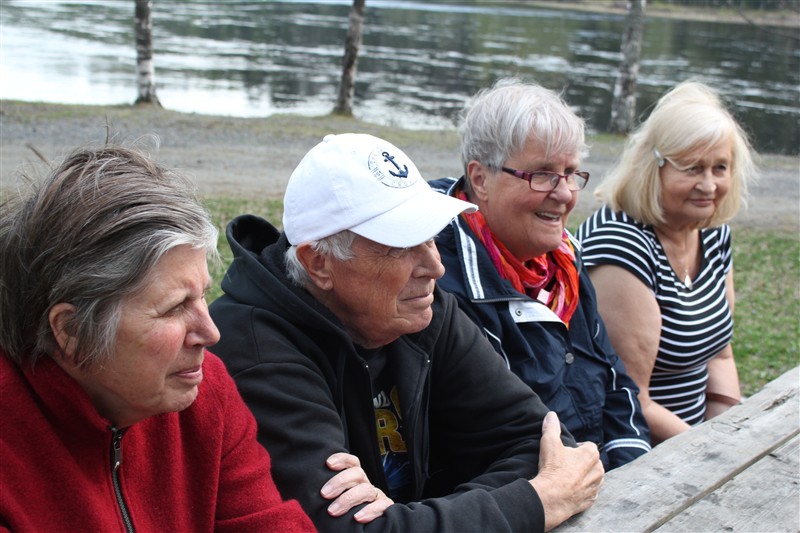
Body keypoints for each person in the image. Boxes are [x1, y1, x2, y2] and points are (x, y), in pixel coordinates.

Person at [209, 133, 604, 532]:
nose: (435, 267)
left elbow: (547, 445)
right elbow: (345, 530)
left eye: (430, 237)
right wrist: (534, 502)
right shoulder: (255, 353)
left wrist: (408, 519)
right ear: (318, 264)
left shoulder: (420, 311)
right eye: (400, 246)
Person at [0, 145, 315, 532]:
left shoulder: (206, 393)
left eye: (202, 295)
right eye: (174, 308)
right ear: (71, 330)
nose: (211, 333)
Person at [428, 78, 650, 471]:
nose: (564, 194)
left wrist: (634, 468)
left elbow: (614, 379)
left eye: (571, 172)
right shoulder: (442, 279)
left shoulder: (563, 260)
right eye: (543, 174)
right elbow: (501, 429)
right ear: (480, 179)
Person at [577, 80, 758, 444]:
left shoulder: (711, 231)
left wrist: (729, 434)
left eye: (720, 167)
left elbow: (720, 355)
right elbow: (633, 398)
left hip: (695, 439)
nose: (709, 185)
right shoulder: (620, 247)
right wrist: (712, 452)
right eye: (692, 168)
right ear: (653, 167)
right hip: (635, 447)